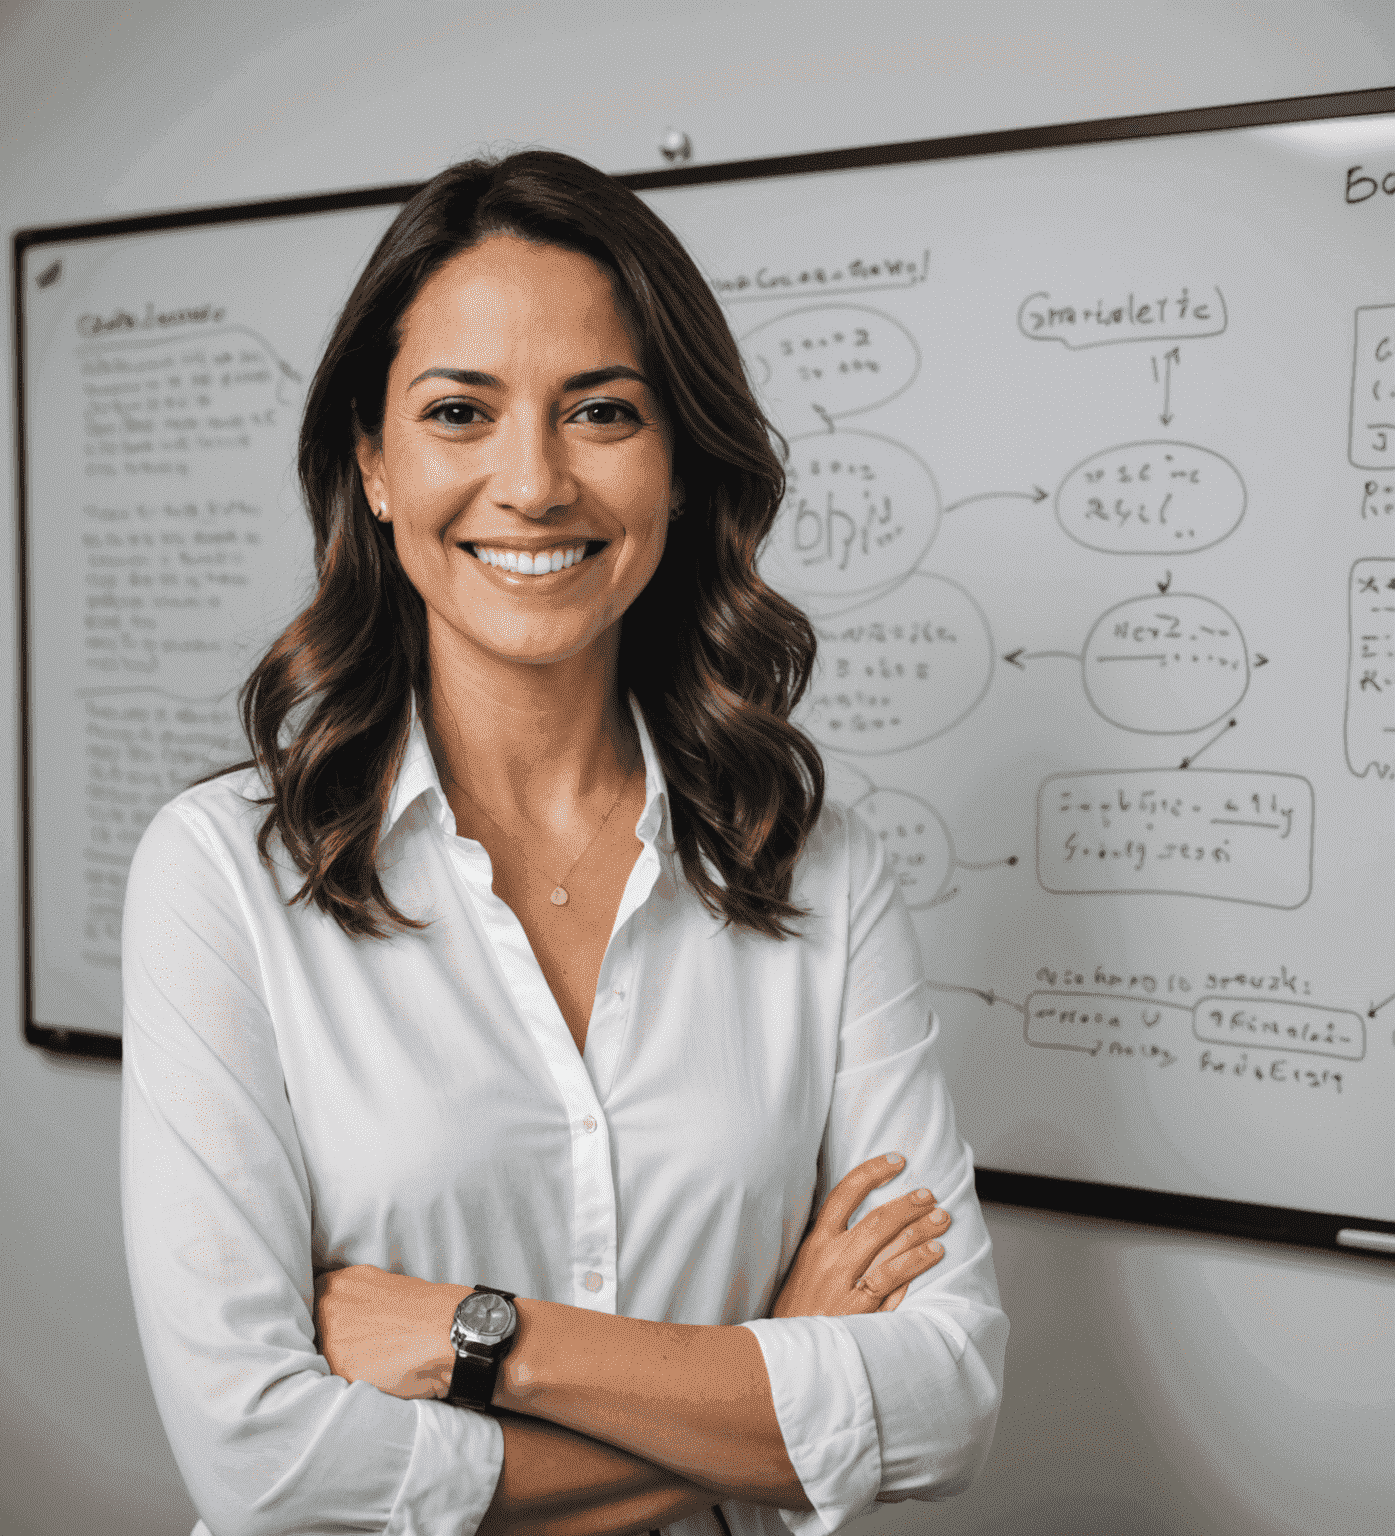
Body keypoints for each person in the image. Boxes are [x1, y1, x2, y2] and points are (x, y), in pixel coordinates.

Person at [120, 149, 1006, 1536]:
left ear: (678, 463)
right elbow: (265, 1469)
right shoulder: (222, 873)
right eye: (460, 411)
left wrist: (484, 1339)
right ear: (372, 461)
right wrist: (767, 1384)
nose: (531, 485)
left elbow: (946, 1399)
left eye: (601, 411)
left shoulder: (813, 865)